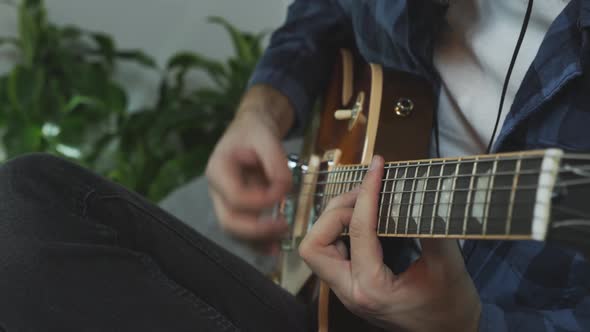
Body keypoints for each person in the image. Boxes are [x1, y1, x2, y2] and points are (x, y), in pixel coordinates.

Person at [0, 1, 588, 332]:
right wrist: (262, 107)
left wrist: (467, 327)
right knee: (28, 203)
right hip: (324, 258)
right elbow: (326, 9)